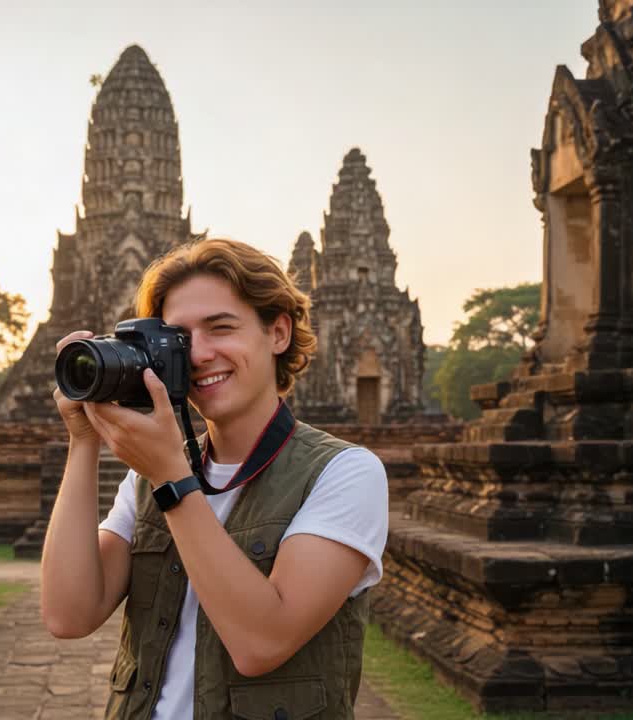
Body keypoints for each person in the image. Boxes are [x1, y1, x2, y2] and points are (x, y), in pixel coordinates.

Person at [40, 238, 389, 720]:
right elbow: (68, 614)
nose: (200, 354)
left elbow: (260, 643)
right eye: (179, 340)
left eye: (221, 328)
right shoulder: (148, 478)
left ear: (278, 333)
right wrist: (83, 442)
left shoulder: (345, 473)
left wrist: (172, 477)